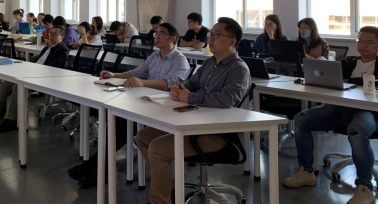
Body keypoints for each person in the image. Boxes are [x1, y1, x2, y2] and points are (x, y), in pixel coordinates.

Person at [136, 17, 251, 204]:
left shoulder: (238, 69)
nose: (210, 38)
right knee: (143, 137)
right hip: (192, 123)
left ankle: (160, 201)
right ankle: (169, 190)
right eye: (211, 34)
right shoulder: (210, 63)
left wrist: (190, 97)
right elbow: (192, 83)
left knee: (157, 148)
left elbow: (227, 99)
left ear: (232, 41)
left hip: (213, 133)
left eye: (216, 35)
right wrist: (180, 88)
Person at [284, 26, 378, 204]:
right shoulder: (348, 62)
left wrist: (347, 80)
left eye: (369, 42)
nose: (363, 45)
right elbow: (330, 78)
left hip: (369, 112)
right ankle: (306, 171)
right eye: (360, 41)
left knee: (357, 129)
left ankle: (365, 188)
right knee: (302, 119)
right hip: (339, 109)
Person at [68, 23, 191, 188]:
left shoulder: (180, 60)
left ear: (172, 38)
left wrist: (143, 82)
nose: (156, 36)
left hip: (166, 108)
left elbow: (170, 83)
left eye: (161, 33)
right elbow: (136, 72)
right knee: (119, 119)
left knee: (123, 123)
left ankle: (94, 168)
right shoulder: (154, 57)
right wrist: (114, 75)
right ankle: (97, 169)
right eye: (156, 33)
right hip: (148, 103)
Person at [0, 26, 70, 133]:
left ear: (62, 37)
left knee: (18, 86)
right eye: (51, 33)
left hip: (44, 77)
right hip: (31, 74)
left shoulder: (63, 49)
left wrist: (36, 70)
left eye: (55, 34)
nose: (51, 36)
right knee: (5, 85)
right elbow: (37, 60)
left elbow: (56, 65)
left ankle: (11, 120)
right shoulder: (46, 48)